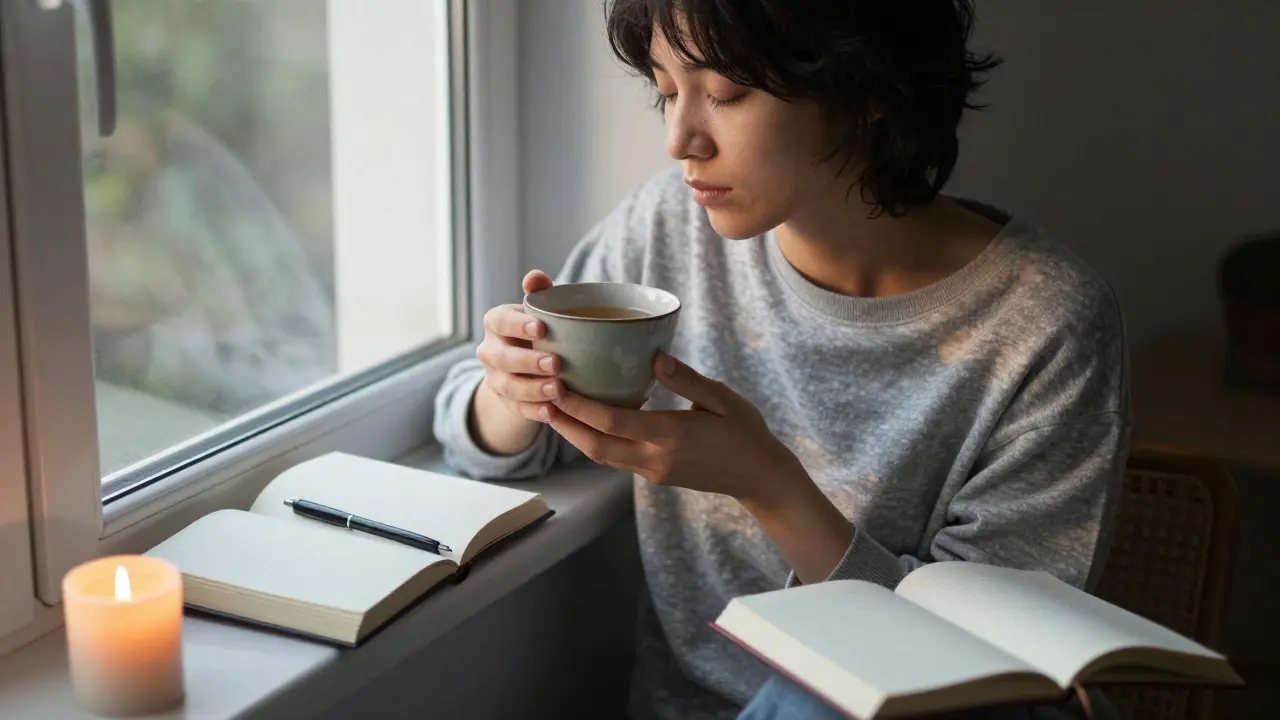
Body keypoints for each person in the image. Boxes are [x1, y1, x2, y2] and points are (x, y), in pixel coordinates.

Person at [433, 1, 1130, 718]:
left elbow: (986, 670)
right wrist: (515, 388)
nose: (680, 140)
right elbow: (475, 437)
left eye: (726, 94)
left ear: (866, 91)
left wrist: (767, 484)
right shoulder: (671, 230)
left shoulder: (1043, 320)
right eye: (666, 92)